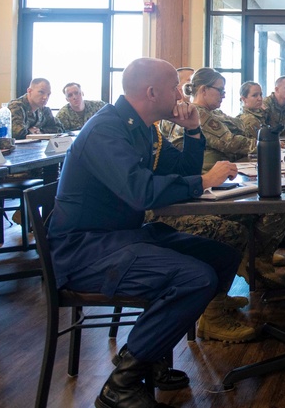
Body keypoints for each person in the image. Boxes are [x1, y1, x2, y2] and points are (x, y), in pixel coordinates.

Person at [48, 57, 241, 408]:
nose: (181, 96)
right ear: (152, 92)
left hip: (122, 237)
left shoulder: (143, 127)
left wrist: (194, 131)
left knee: (222, 256)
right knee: (195, 279)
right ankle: (121, 383)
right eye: (176, 89)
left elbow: (181, 168)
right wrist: (203, 181)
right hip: (85, 249)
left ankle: (149, 355)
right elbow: (142, 192)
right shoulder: (106, 129)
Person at [153, 68, 285, 292]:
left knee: (278, 199)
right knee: (276, 204)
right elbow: (230, 142)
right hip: (205, 185)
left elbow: (240, 129)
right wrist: (267, 145)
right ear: (203, 90)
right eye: (220, 90)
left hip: (215, 181)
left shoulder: (208, 113)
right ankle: (255, 260)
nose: (223, 95)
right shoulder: (197, 114)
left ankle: (256, 258)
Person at [0, 78, 64, 139]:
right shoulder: (16, 106)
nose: (45, 97)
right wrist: (31, 133)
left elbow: (59, 128)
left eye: (48, 94)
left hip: (29, 149)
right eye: (41, 92)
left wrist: (40, 132)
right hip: (2, 150)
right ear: (29, 91)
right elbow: (18, 133)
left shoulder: (44, 110)